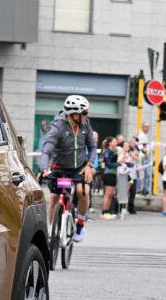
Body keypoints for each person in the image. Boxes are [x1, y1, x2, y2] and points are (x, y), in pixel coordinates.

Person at [39, 95, 98, 242]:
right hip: (60, 167)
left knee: (82, 191)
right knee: (54, 197)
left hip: (79, 167)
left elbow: (92, 147)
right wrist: (45, 169)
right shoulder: (58, 127)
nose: (87, 115)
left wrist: (89, 164)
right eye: (84, 113)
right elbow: (46, 150)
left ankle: (80, 224)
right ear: (74, 115)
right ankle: (50, 230)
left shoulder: (85, 124)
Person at [99, 137, 120, 218]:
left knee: (111, 194)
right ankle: (104, 212)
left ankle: (107, 211)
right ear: (110, 143)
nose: (116, 142)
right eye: (114, 141)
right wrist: (119, 163)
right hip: (108, 174)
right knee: (107, 194)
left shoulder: (113, 151)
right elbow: (109, 164)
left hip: (113, 174)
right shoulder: (107, 152)